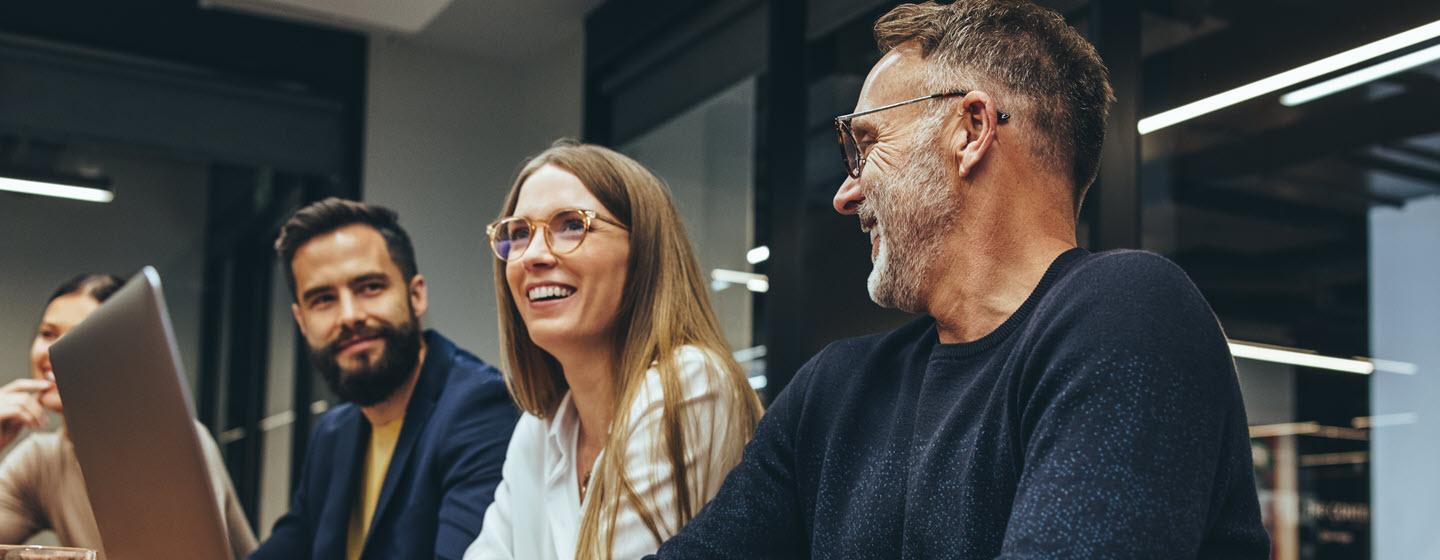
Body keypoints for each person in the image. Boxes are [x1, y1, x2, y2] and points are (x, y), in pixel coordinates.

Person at [655, 1, 1270, 558]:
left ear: (970, 130)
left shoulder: (1131, 314)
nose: (847, 193)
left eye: (865, 145)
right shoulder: (834, 392)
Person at [464, 141, 763, 560]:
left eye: (571, 225)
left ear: (643, 252)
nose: (532, 255)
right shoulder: (541, 431)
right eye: (518, 233)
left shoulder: (691, 383)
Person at [251, 199, 519, 560]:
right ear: (301, 321)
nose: (349, 316)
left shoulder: (481, 409)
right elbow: (290, 545)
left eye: (370, 287)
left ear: (416, 295)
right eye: (323, 299)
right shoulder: (333, 433)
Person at [0, 274, 257, 558]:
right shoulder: (40, 460)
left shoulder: (175, 441)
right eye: (48, 333)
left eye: (76, 336)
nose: (53, 352)